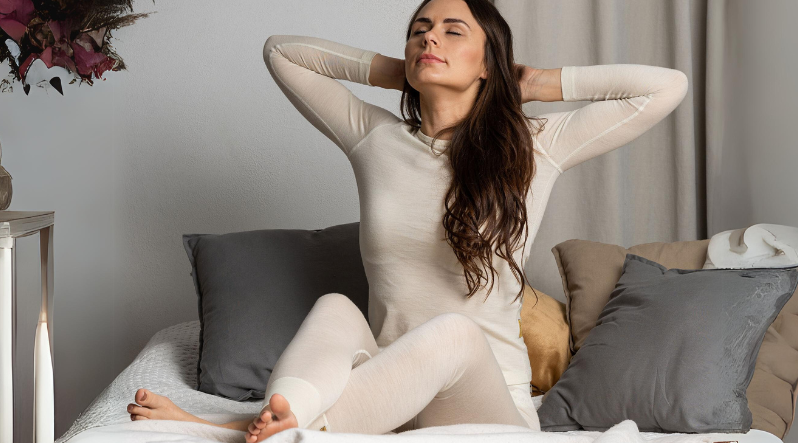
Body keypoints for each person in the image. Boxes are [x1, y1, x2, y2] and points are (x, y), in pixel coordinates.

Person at [126, 0, 689, 441]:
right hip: (386, 397)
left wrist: (532, 83)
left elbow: (667, 87)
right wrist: (402, 72)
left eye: (452, 30)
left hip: (483, 409)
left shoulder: (536, 145)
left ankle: (238, 432)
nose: (429, 37)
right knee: (336, 309)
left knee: (451, 332)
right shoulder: (376, 139)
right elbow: (281, 52)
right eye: (419, 29)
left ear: (488, 60)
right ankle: (287, 421)